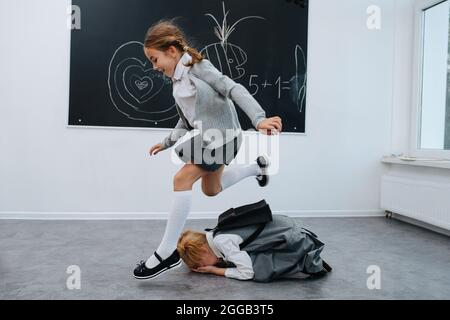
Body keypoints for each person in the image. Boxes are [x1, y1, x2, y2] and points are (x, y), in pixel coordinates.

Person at [133, 18, 283, 280]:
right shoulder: (177, 82)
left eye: (154, 59)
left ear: (171, 50)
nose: (154, 67)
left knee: (181, 178)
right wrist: (167, 141)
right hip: (210, 139)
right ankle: (257, 167)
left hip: (222, 138)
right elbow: (186, 121)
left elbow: (233, 88)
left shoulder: (197, 67)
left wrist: (258, 119)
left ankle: (167, 252)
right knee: (211, 189)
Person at [177, 215, 332, 282]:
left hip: (296, 243)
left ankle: (302, 266)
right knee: (241, 259)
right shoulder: (215, 232)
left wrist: (215, 271)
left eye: (201, 263)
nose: (204, 267)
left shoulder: (222, 242)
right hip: (289, 231)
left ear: (204, 250)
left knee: (258, 269)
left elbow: (247, 273)